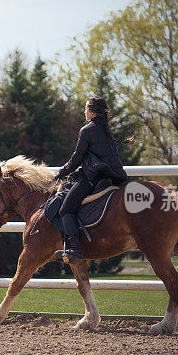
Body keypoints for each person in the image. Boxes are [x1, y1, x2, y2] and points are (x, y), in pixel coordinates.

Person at [54, 96, 134, 259]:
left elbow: (77, 158)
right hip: (109, 179)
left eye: (86, 109)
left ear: (91, 111)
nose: (84, 112)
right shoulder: (107, 131)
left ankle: (74, 249)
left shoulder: (87, 130)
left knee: (65, 210)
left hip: (91, 179)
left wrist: (61, 173)